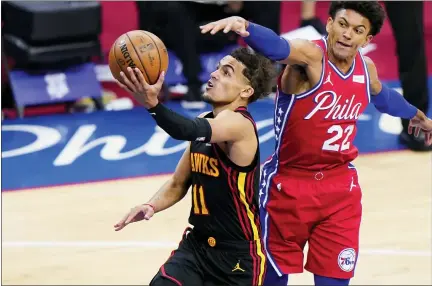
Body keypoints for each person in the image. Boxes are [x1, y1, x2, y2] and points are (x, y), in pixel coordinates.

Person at [199, 2, 432, 286]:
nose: (347, 35)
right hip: (287, 188)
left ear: (367, 39)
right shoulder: (310, 56)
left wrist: (416, 114)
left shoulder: (365, 67)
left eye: (358, 30)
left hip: (339, 191)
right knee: (270, 279)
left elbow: (382, 97)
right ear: (330, 23)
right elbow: (279, 48)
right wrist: (246, 28)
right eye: (343, 25)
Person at [113, 47, 277, 285]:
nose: (214, 74)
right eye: (217, 68)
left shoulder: (239, 124)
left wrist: (153, 105)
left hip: (236, 256)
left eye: (227, 72)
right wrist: (151, 205)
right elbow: (178, 183)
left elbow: (186, 130)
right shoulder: (205, 121)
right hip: (196, 247)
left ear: (246, 90)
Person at [136, 1, 280, 110]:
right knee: (169, 8)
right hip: (184, 12)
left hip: (223, 9)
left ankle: (265, 75)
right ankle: (193, 82)